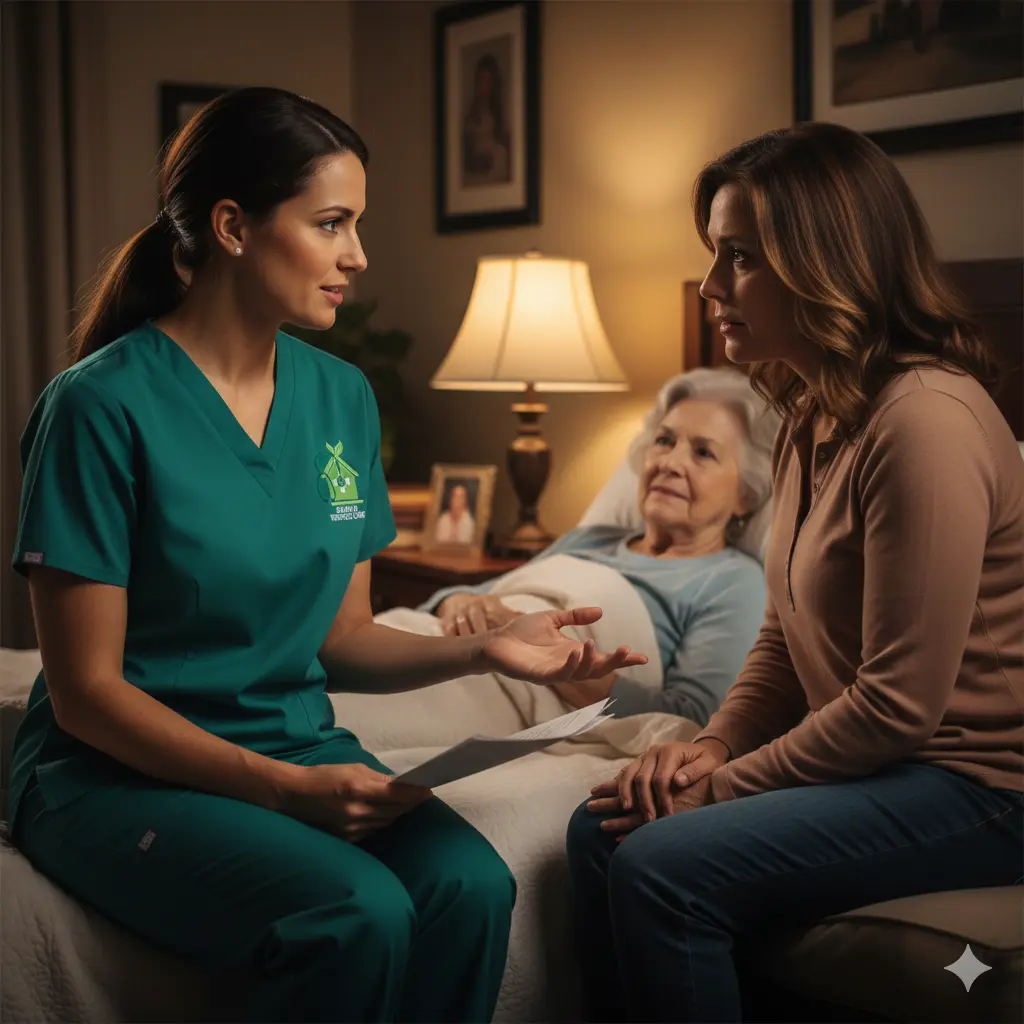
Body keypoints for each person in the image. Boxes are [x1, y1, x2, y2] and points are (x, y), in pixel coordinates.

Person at [7, 86, 646, 1024]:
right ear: (232, 226)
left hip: (292, 743)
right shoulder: (98, 408)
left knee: (470, 889)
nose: (358, 255)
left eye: (357, 224)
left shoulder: (342, 398)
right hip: (112, 776)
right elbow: (86, 695)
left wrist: (486, 645)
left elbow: (344, 636)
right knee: (357, 911)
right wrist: (285, 790)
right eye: (332, 223)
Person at [566, 121, 1024, 1022]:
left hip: (981, 790)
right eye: (715, 256)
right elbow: (785, 630)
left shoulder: (925, 422)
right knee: (601, 826)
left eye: (739, 258)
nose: (709, 288)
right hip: (888, 770)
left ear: (825, 264)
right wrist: (712, 744)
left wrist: (719, 788)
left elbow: (897, 706)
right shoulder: (818, 409)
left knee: (658, 863)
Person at [428, 368, 774, 726]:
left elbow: (693, 719)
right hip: (441, 648)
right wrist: (460, 604)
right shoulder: (589, 538)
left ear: (746, 494)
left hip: (491, 692)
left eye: (703, 453)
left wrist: (547, 653)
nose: (669, 463)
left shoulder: (735, 582)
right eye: (664, 441)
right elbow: (463, 598)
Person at [461, 53, 511, 186]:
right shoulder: (468, 119)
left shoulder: (500, 119)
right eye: (480, 80)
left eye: (487, 81)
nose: (482, 87)